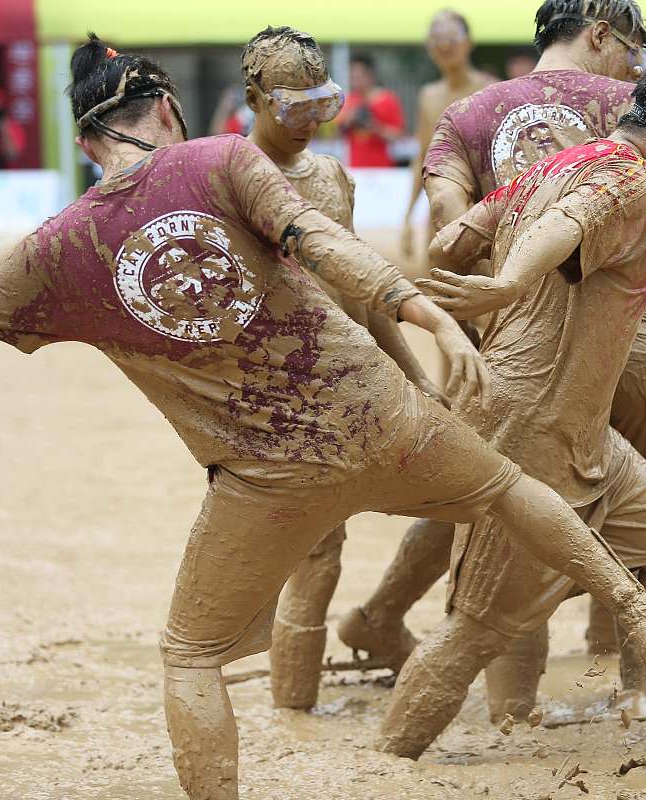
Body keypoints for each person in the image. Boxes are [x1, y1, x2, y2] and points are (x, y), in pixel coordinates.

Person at [0, 34, 646, 800]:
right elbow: (330, 248)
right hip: (387, 413)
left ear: (83, 141)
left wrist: (461, 279)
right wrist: (429, 317)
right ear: (172, 108)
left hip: (267, 474)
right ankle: (560, 651)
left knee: (193, 653)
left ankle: (612, 686)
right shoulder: (226, 161)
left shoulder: (53, 252)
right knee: (498, 516)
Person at [335, 1, 646, 709]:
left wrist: (504, 287)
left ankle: (512, 721)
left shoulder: (466, 116)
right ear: (599, 34)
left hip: (512, 345)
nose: (634, 64)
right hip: (635, 348)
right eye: (629, 49)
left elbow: (451, 232)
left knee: (497, 516)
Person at [377, 67, 646, 760]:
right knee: (478, 628)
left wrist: (486, 266)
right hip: (532, 431)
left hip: (579, 432)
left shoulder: (554, 165)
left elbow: (450, 240)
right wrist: (511, 283)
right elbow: (566, 223)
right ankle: (388, 767)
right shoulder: (633, 179)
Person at [236, 25, 449, 710]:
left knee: (459, 492)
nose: (306, 126)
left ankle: (380, 620)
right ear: (254, 100)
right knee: (316, 553)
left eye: (317, 109)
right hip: (282, 389)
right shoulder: (228, 179)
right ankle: (293, 716)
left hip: (358, 378)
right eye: (290, 110)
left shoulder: (330, 176)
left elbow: (364, 288)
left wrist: (418, 377)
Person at [401, 10, 494, 259]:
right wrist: (408, 216)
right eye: (436, 37)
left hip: (484, 213)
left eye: (452, 36)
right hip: (439, 216)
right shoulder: (428, 95)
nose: (444, 44)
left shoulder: (491, 90)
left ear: (469, 42)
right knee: (437, 289)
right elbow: (423, 158)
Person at [339, 54, 405, 167]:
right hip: (355, 167)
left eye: (357, 77)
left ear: (369, 75)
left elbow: (397, 136)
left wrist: (374, 127)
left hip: (381, 168)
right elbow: (339, 132)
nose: (354, 81)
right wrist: (349, 120)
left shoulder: (387, 100)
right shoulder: (348, 100)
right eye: (352, 77)